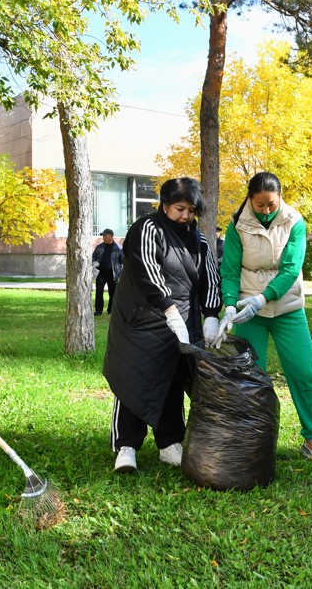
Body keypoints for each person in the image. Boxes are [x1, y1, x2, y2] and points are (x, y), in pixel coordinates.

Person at [218, 171, 312, 466]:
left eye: (271, 204)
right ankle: (253, 438)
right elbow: (231, 270)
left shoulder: (294, 221)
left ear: (280, 197)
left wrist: (264, 296)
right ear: (250, 198)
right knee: (252, 377)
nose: (266, 210)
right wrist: (231, 306)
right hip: (250, 311)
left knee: (303, 371)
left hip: (287, 308)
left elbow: (290, 268)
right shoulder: (237, 225)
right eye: (260, 205)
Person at [103, 178, 222, 473]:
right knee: (134, 380)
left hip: (182, 325)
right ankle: (126, 447)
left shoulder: (201, 240)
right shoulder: (147, 228)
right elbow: (147, 271)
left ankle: (169, 443)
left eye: (191, 210)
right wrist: (169, 310)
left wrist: (210, 314)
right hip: (140, 321)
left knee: (171, 380)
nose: (186, 215)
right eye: (180, 208)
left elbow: (210, 279)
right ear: (165, 205)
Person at [92, 228, 123, 315]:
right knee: (99, 292)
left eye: (105, 236)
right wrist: (94, 262)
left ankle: (111, 310)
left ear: (111, 236)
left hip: (113, 274)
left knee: (113, 293)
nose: (103, 237)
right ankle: (98, 311)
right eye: (103, 236)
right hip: (101, 273)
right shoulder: (99, 247)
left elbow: (123, 261)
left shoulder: (118, 248)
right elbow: (93, 257)